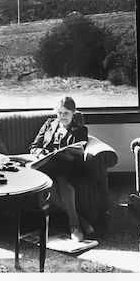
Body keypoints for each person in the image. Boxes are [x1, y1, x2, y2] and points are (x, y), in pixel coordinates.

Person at [29, 96, 93, 242]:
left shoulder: (80, 129)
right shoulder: (49, 124)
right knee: (46, 179)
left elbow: (79, 152)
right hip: (48, 165)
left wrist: (69, 156)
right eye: (59, 113)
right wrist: (40, 153)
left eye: (66, 113)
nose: (62, 117)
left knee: (62, 176)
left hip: (68, 166)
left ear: (73, 113)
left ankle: (74, 226)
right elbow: (34, 146)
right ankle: (78, 222)